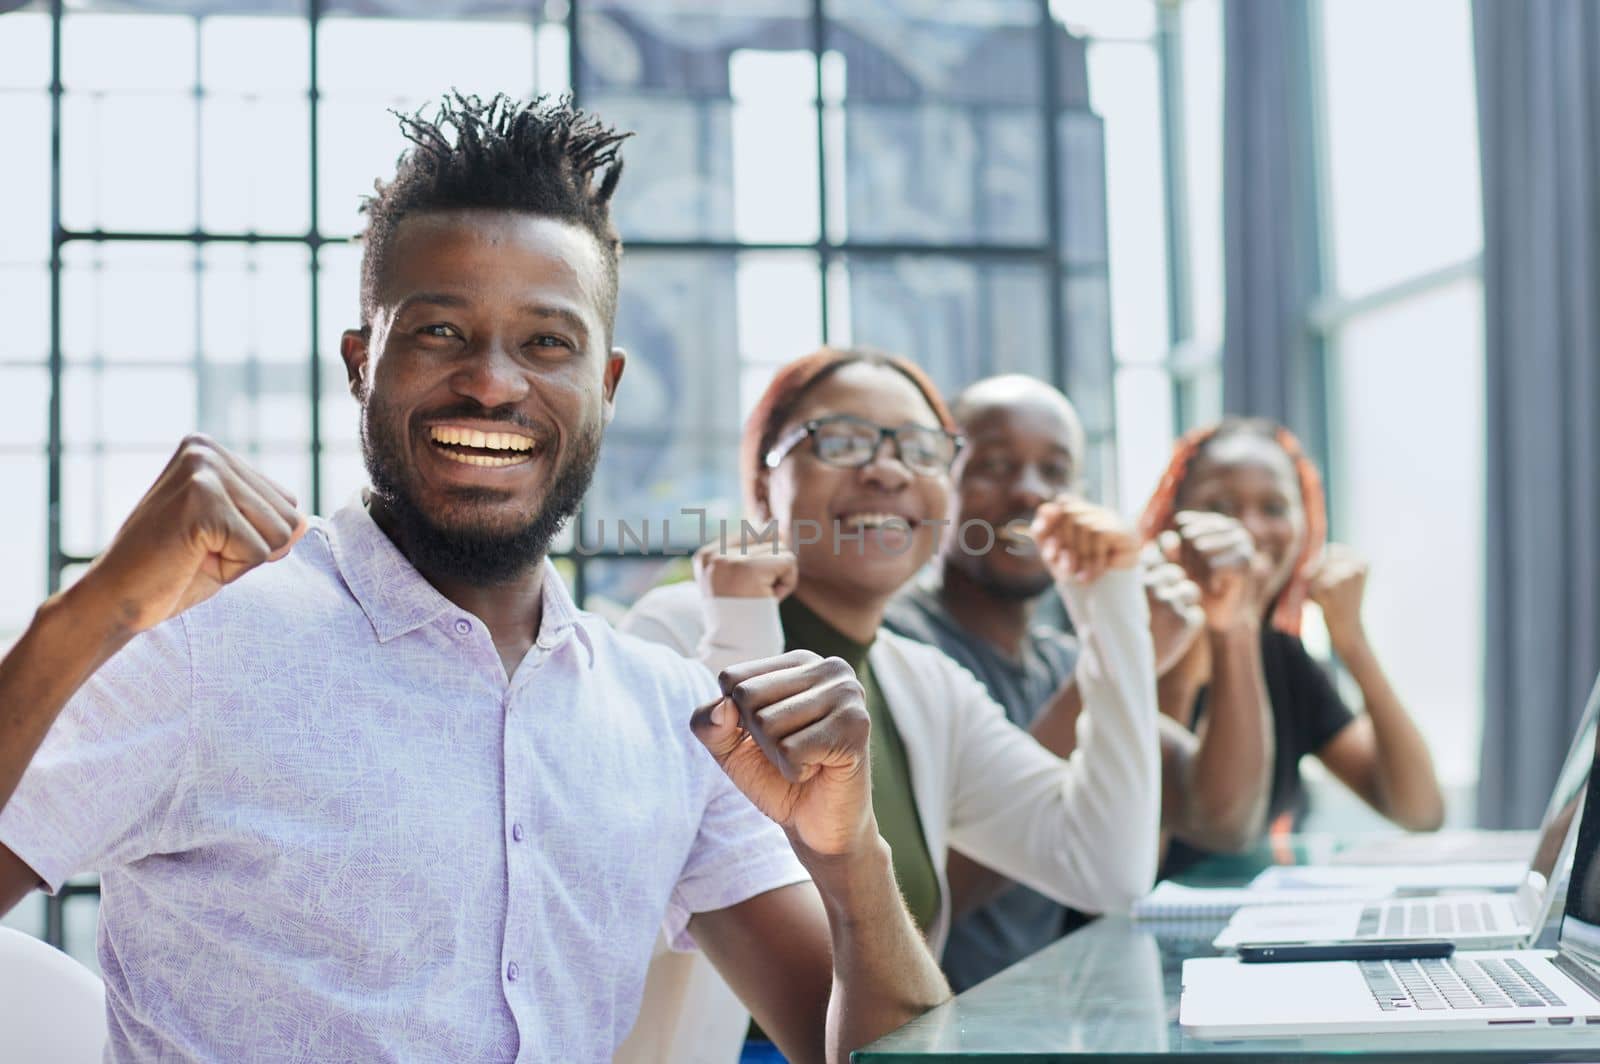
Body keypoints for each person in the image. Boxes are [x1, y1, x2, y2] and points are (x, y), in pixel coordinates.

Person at [0, 94, 951, 1062]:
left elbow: (870, 1048)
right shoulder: (201, 641)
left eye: (546, 341)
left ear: (605, 387)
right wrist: (84, 614)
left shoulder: (670, 713)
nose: (493, 383)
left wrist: (848, 854)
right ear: (361, 363)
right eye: (440, 332)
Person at [617, 347, 1162, 1059]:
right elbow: (774, 922)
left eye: (920, 448)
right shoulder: (676, 629)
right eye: (840, 441)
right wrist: (742, 624)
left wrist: (1110, 600)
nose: (886, 469)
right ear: (762, 483)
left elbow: (1106, 868)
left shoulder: (925, 684)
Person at [882, 374, 1276, 991]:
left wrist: (1235, 625)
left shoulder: (1060, 659)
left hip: (1037, 1028)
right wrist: (1120, 653)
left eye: (1055, 471)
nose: (1029, 492)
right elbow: (926, 890)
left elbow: (1220, 816)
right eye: (993, 466)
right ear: (939, 483)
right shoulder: (899, 645)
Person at [1142, 417, 1445, 874]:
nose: (1249, 529)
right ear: (1172, 521)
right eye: (1219, 507)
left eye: (1274, 507)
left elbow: (1419, 811)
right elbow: (1144, 860)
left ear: (1307, 524)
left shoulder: (1283, 658)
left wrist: (1352, 640)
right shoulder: (1145, 645)